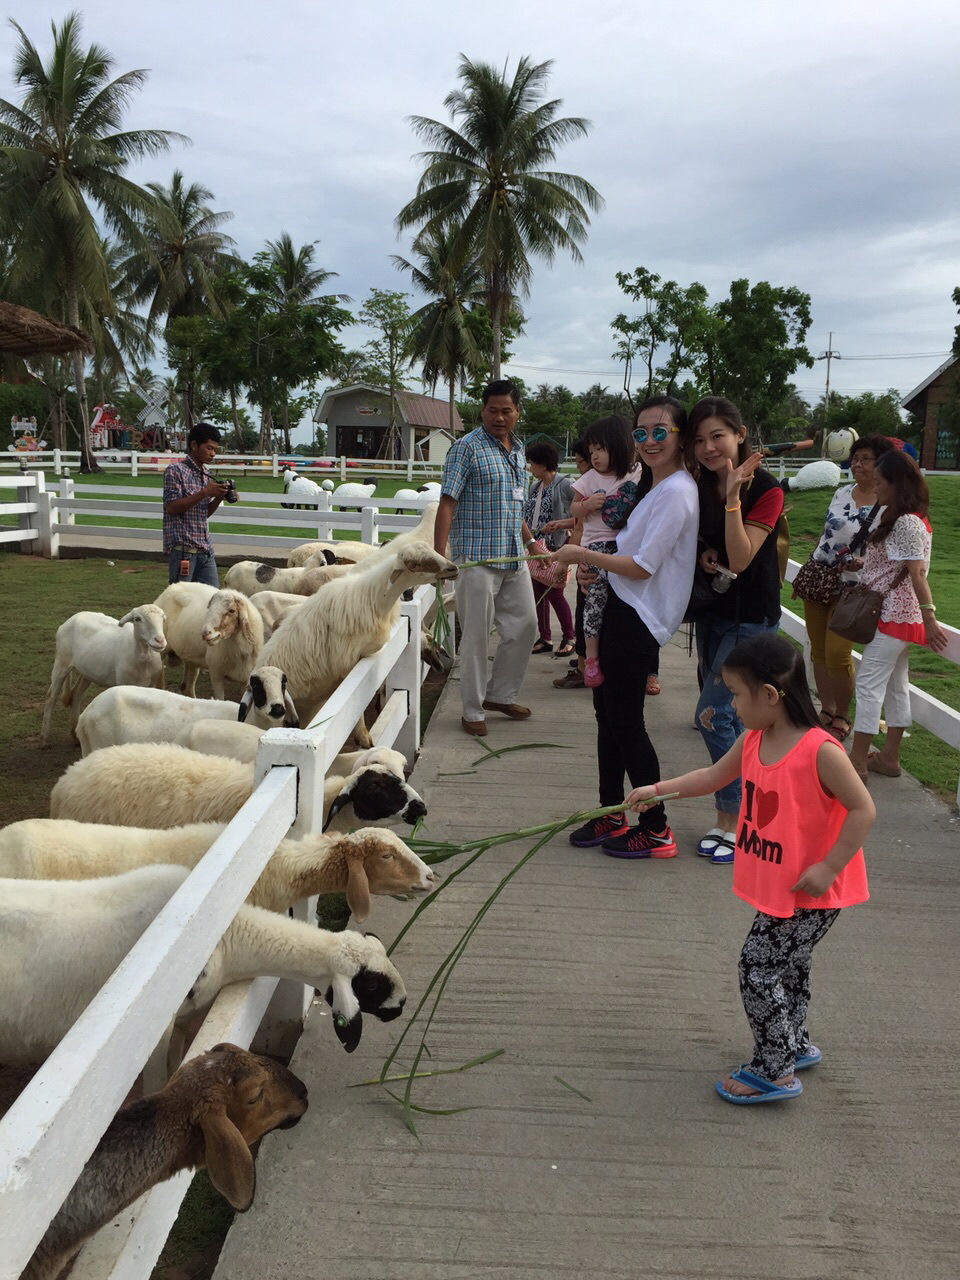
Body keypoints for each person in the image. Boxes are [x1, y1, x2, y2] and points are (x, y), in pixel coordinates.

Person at [626, 633, 873, 1104]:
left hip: (813, 889)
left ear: (770, 695)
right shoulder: (754, 738)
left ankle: (774, 1068)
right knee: (789, 966)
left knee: (757, 968)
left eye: (737, 694)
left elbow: (863, 809)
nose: (733, 705)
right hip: (784, 884)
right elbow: (712, 777)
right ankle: (792, 1042)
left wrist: (828, 867)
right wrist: (658, 789)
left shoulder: (821, 751)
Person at [551, 395, 698, 858]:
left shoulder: (676, 490)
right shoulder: (655, 487)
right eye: (641, 433)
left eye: (661, 432)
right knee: (608, 719)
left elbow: (643, 565)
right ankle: (611, 811)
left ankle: (655, 826)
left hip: (637, 615)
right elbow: (628, 549)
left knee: (627, 723)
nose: (650, 441)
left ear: (680, 437)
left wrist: (583, 556)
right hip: (618, 603)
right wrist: (600, 565)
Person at [688, 396, 785, 865]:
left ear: (740, 435)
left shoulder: (766, 488)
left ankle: (736, 820)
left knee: (713, 714)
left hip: (752, 617)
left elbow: (744, 557)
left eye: (718, 436)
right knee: (722, 715)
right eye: (700, 439)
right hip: (714, 612)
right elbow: (715, 544)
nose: (709, 447)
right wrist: (707, 551)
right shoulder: (700, 482)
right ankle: (748, 808)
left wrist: (731, 498)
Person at [434, 380, 539, 738]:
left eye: (506, 410)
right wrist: (438, 558)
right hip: (476, 558)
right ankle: (472, 709)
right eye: (492, 410)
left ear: (517, 412)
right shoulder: (466, 448)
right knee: (477, 637)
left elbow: (515, 507)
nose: (499, 417)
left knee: (526, 626)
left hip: (513, 555)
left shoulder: (518, 450)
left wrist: (533, 543)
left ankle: (500, 695)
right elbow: (447, 504)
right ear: (482, 411)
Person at [847, 450, 948, 780]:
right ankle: (889, 757)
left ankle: (857, 762)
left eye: (880, 483)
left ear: (897, 483)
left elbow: (917, 573)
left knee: (868, 687)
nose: (876, 489)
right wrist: (866, 565)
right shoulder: (910, 517)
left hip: (891, 614)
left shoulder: (904, 521)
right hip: (900, 618)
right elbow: (899, 564)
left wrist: (930, 617)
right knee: (895, 687)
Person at [797, 436, 894, 742]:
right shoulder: (841, 492)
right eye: (855, 458)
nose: (857, 464)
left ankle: (842, 713)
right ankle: (825, 709)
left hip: (854, 589)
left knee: (839, 654)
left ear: (881, 464)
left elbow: (887, 552)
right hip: (820, 579)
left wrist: (861, 562)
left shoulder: (888, 505)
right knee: (819, 650)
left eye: (865, 458)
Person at [569, 416, 643, 688]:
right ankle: (591, 658)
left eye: (600, 449)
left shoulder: (636, 473)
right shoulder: (589, 478)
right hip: (597, 546)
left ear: (619, 445)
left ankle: (645, 666)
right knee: (595, 600)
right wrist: (587, 505)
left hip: (626, 545)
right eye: (591, 451)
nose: (595, 456)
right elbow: (573, 509)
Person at [523, 440, 576, 657]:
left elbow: (580, 514)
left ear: (543, 465)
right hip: (536, 546)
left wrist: (564, 526)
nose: (529, 467)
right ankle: (544, 637)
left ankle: (569, 636)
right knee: (537, 593)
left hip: (555, 546)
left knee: (555, 592)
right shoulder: (535, 486)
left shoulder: (565, 484)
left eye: (532, 463)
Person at [162, 423, 230, 587]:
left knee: (213, 600)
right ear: (193, 445)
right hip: (184, 551)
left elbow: (203, 513)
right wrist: (205, 493)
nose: (213, 453)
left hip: (205, 550)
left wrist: (219, 497)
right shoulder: (175, 470)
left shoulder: (207, 474)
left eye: (215, 449)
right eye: (209, 448)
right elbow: (171, 508)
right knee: (181, 603)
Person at [549, 439, 592, 690]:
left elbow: (582, 527)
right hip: (589, 557)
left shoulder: (591, 487)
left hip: (588, 559)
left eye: (580, 462)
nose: (579, 468)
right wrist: (562, 523)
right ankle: (587, 663)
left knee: (587, 616)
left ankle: (585, 669)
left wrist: (564, 563)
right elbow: (577, 522)